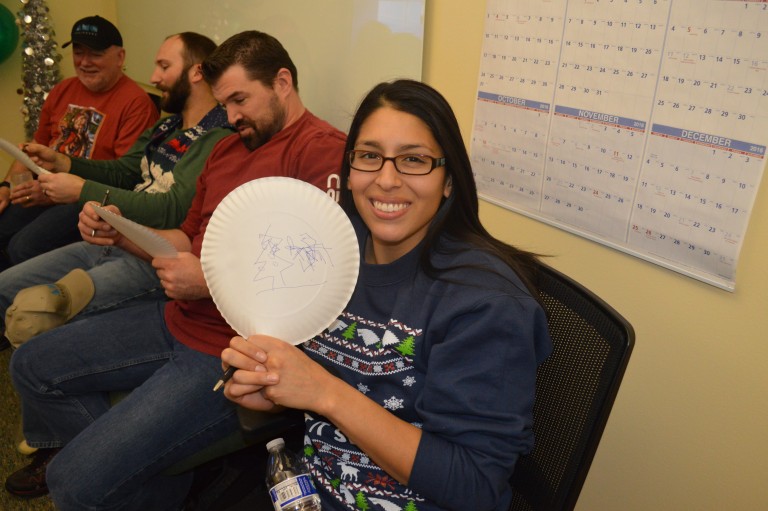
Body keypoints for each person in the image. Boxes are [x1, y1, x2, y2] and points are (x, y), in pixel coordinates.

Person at [4, 30, 346, 509]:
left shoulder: (321, 151)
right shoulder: (225, 148)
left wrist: (209, 282)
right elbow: (187, 239)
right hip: (178, 319)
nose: (231, 117)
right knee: (31, 365)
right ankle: (150, 482)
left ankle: (121, 472)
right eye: (225, 103)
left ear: (283, 82)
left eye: (241, 100)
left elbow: (320, 279)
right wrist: (118, 231)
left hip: (236, 354)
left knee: (72, 483)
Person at [219, 79, 553, 510]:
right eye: (370, 156)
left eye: (413, 160)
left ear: (449, 179)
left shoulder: (486, 305)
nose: (386, 180)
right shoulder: (337, 248)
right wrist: (268, 390)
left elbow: (475, 487)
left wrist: (326, 393)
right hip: (312, 492)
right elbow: (323, 388)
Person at [0, 32, 232, 349]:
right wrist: (66, 163)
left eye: (164, 66)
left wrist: (81, 190)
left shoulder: (218, 135)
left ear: (197, 72)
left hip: (152, 258)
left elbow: (172, 209)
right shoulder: (167, 127)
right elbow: (125, 172)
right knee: (6, 285)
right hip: (110, 240)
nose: (154, 78)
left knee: (45, 309)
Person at [0, 15, 159, 269]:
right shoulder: (63, 89)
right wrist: (6, 186)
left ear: (120, 57)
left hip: (88, 199)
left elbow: (125, 180)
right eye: (78, 52)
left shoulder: (137, 104)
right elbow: (33, 146)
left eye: (95, 54)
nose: (84, 62)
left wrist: (51, 193)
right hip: (43, 188)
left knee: (22, 247)